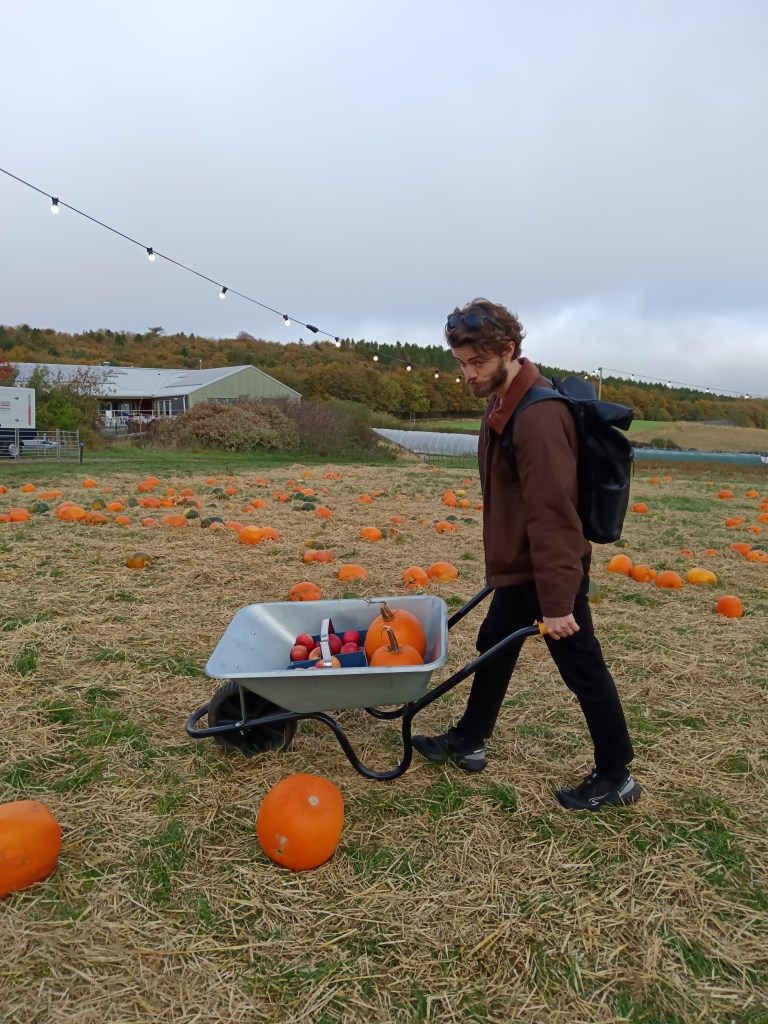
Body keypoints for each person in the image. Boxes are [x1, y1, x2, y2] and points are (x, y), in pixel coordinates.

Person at [412, 298, 640, 811]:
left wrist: (559, 602)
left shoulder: (537, 418)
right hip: (522, 566)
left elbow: (554, 516)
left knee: (582, 667)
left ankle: (616, 774)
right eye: (461, 363)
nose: (467, 374)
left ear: (509, 351)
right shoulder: (503, 401)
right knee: (495, 641)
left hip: (549, 571)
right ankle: (471, 737)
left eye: (476, 363)